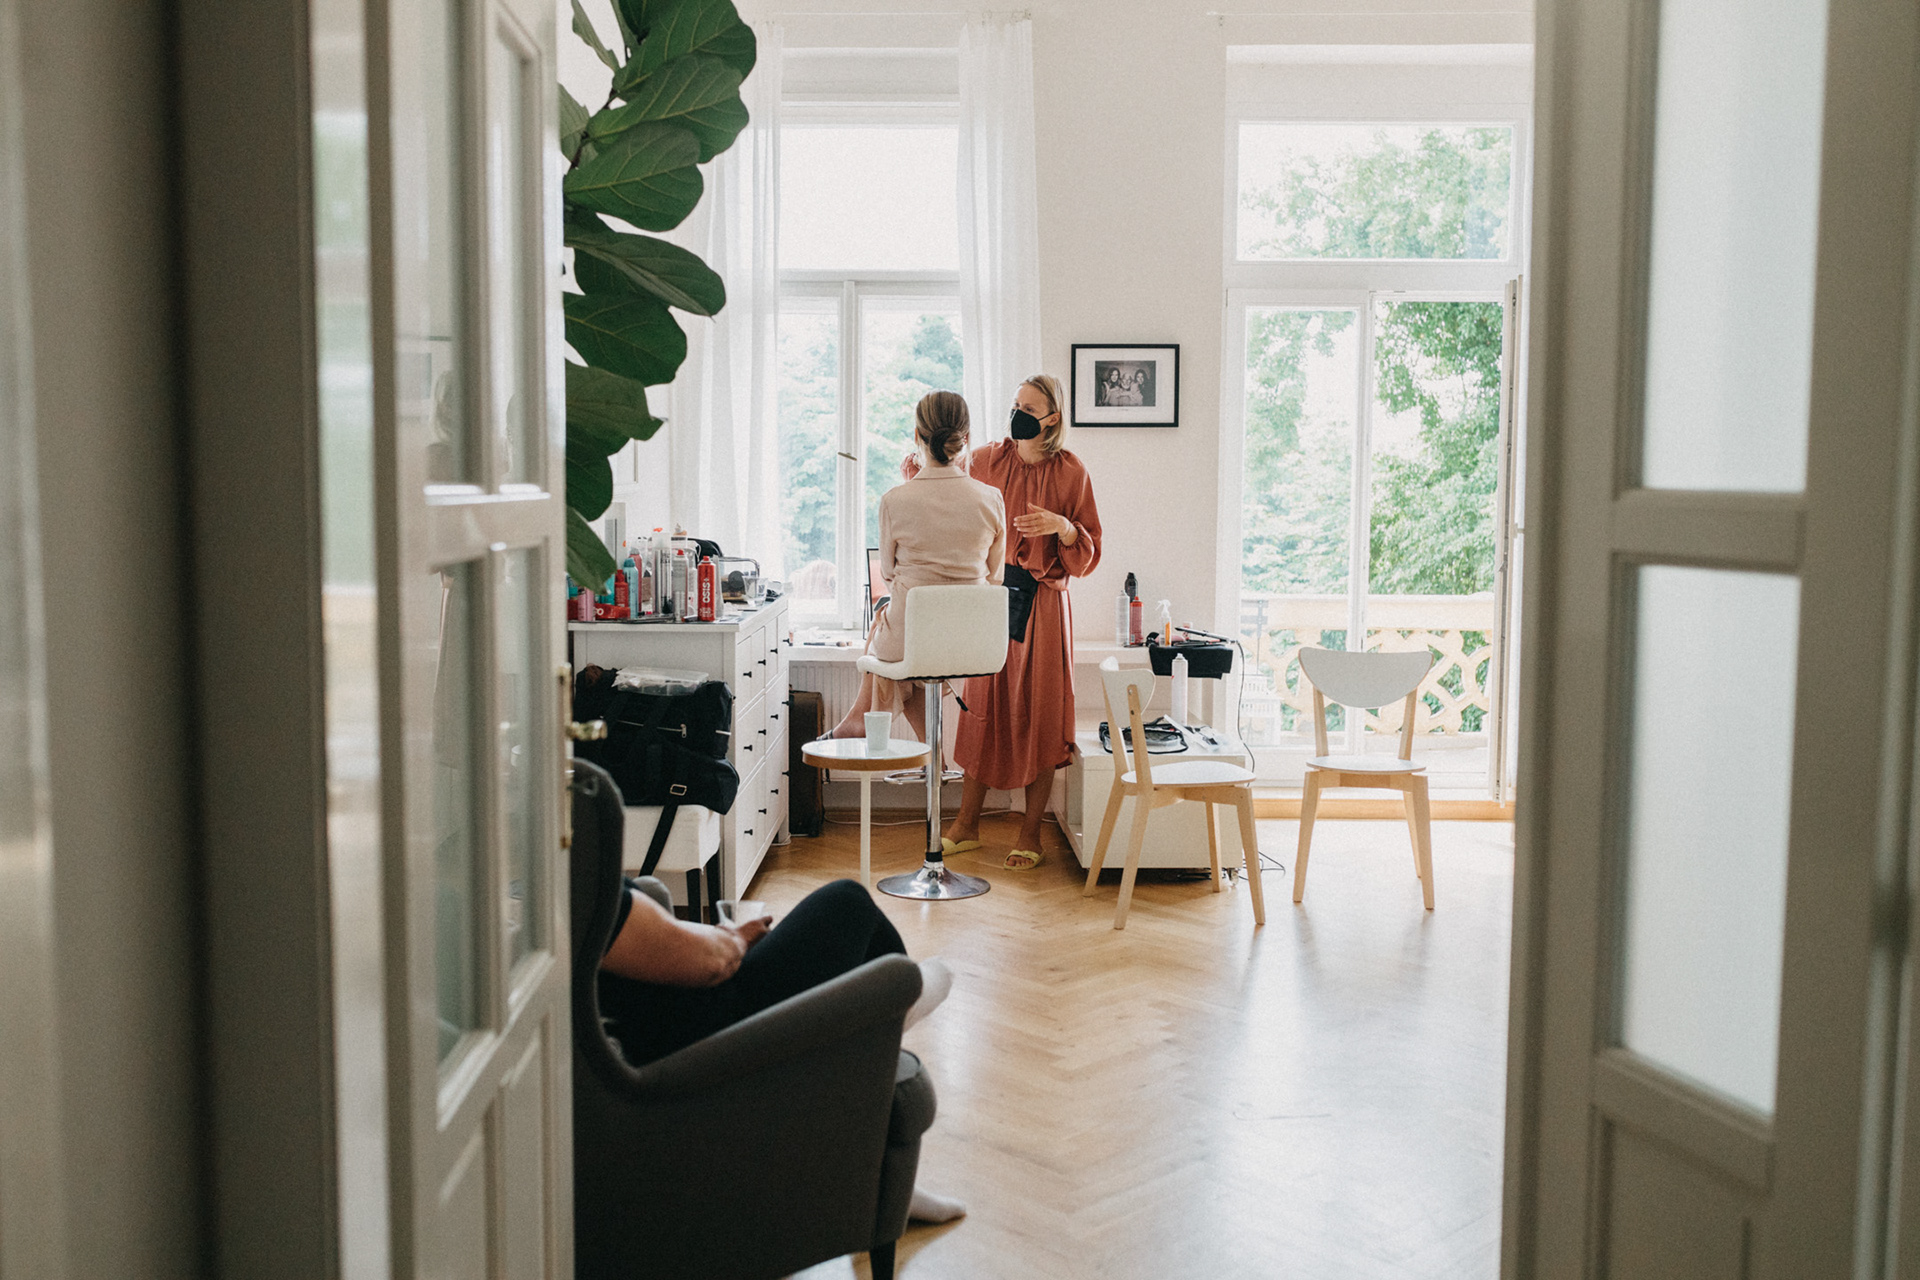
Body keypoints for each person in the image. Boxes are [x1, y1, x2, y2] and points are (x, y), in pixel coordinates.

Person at [597, 876, 967, 1223]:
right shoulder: (580, 879)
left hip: (668, 1016)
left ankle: (888, 1016)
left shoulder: (570, 877)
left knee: (852, 933)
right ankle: (894, 1013)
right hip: (709, 1030)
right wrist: (733, 940)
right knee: (848, 902)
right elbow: (710, 962)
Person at [944, 374, 1103, 869]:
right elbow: (947, 484)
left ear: (1052, 418)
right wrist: (918, 468)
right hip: (993, 596)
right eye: (1015, 404)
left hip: (1044, 604)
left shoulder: (1071, 471)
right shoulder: (989, 459)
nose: (1017, 415)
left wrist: (1064, 528)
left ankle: (1031, 832)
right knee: (982, 708)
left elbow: (1089, 552)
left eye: (1029, 408)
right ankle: (966, 825)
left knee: (1042, 714)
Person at [826, 390, 1006, 740]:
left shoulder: (895, 500)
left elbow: (888, 574)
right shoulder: (991, 498)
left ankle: (862, 720)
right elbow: (995, 576)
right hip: (972, 639)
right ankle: (932, 756)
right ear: (966, 439)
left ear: (916, 436)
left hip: (910, 638)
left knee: (895, 633)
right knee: (915, 661)